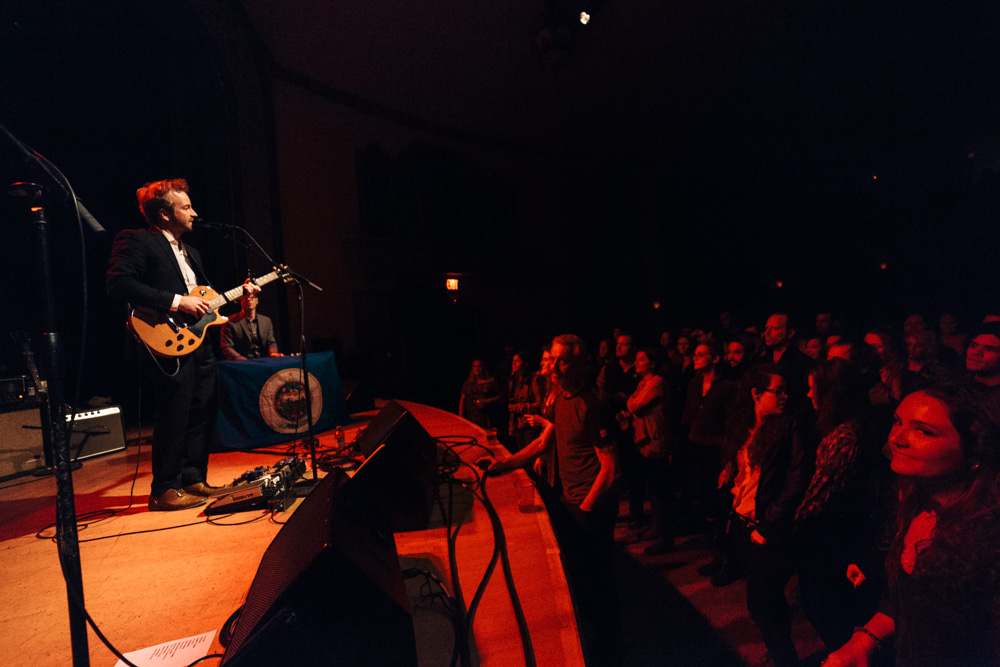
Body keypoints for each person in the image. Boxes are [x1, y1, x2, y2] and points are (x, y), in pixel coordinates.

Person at [107, 179, 260, 511]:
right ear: (164, 214)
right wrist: (176, 302)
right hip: (165, 338)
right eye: (186, 207)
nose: (194, 212)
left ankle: (192, 478)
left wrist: (241, 302)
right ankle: (164, 488)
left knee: (204, 406)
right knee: (174, 410)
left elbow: (206, 305)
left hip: (198, 340)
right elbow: (118, 284)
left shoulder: (192, 252)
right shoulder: (136, 240)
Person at [824, 384, 1000, 667]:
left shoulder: (990, 537)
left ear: (974, 450)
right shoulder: (915, 499)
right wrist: (864, 640)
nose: (898, 438)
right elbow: (906, 598)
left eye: (923, 431)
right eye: (897, 422)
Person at [489, 334, 621, 666]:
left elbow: (611, 468)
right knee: (580, 577)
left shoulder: (593, 405)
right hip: (570, 502)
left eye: (562, 361)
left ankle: (612, 648)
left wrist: (586, 510)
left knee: (598, 580)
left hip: (589, 508)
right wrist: (505, 464)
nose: (554, 367)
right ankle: (597, 638)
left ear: (578, 364)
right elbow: (545, 441)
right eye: (554, 359)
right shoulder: (558, 399)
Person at [717, 365, 812, 667]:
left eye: (785, 390)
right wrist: (730, 471)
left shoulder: (789, 426)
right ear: (757, 394)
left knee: (762, 600)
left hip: (765, 527)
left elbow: (797, 479)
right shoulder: (746, 426)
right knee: (763, 600)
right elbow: (745, 470)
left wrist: (769, 524)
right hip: (742, 523)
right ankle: (779, 649)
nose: (785, 395)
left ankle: (786, 659)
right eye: (778, 390)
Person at [620, 348, 674, 554]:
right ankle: (657, 527)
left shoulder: (656, 383)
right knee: (653, 488)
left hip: (656, 441)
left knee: (660, 490)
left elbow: (634, 404)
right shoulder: (644, 383)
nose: (636, 363)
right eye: (636, 359)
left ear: (653, 362)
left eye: (641, 359)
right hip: (646, 442)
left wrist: (630, 404)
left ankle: (665, 538)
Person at [219, 292, 280, 360]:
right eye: (245, 298)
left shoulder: (266, 321)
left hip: (263, 361)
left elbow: (271, 342)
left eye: (251, 297)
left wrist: (273, 353)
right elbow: (226, 347)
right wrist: (242, 359)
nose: (248, 299)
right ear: (241, 301)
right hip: (241, 363)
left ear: (257, 300)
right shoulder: (230, 322)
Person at [458, 359, 500, 428]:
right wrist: (460, 418)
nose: (477, 369)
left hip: (487, 417)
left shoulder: (491, 382)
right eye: (474, 366)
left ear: (483, 368)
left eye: (479, 366)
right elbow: (462, 401)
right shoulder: (468, 382)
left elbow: (500, 396)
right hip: (472, 417)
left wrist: (487, 401)